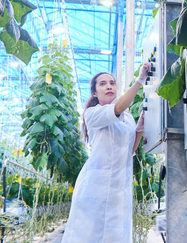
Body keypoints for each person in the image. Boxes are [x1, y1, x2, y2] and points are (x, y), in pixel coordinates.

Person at [62, 62, 151, 243]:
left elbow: (129, 151)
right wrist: (140, 81)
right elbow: (117, 108)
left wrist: (139, 129)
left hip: (120, 187)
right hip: (95, 186)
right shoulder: (92, 114)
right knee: (88, 236)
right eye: (102, 84)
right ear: (94, 93)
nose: (109, 86)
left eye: (112, 83)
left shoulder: (127, 119)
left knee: (116, 236)